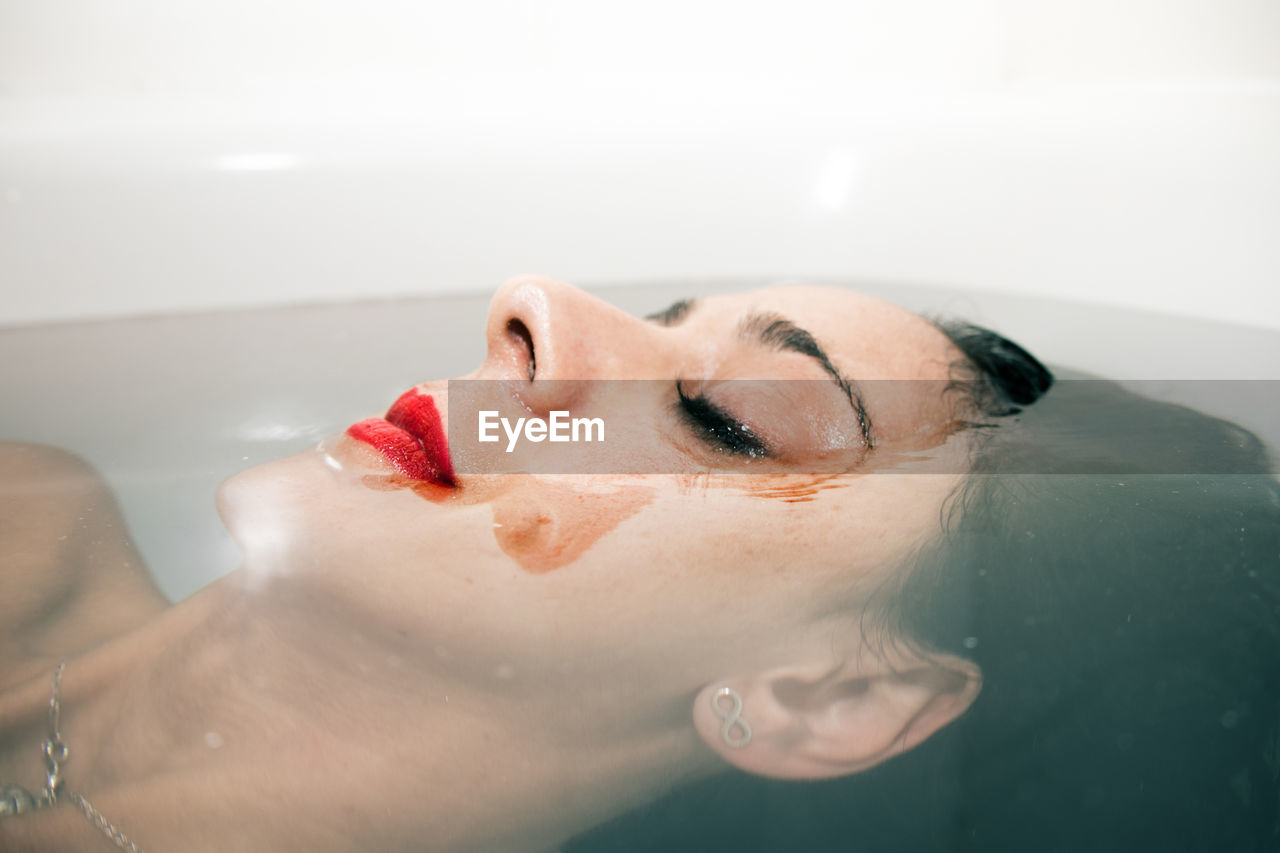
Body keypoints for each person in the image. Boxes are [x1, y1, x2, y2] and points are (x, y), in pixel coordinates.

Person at [0, 276, 1276, 852]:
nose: (533, 307)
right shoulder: (25, 516)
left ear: (822, 697)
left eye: (727, 415)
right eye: (662, 317)